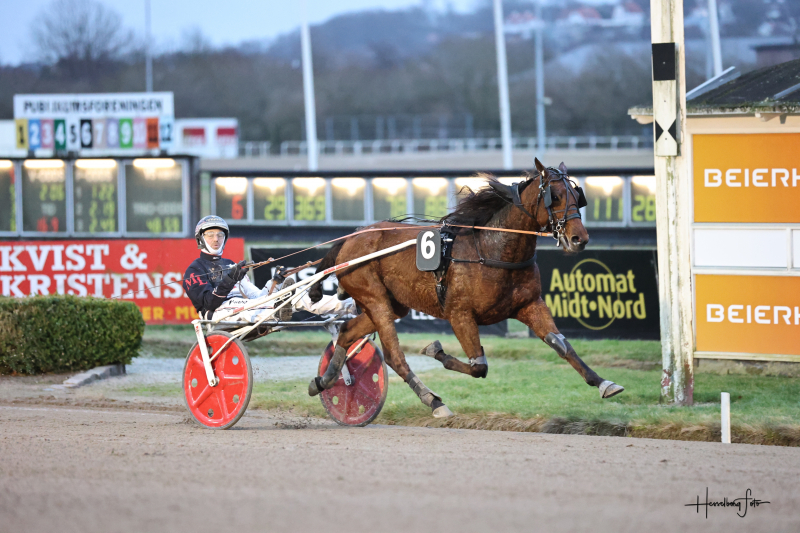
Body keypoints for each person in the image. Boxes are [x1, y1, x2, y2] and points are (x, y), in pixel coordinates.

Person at [183, 216, 356, 324]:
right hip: (218, 313)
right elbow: (209, 304)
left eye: (220, 235)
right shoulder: (194, 270)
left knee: (299, 294)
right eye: (210, 235)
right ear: (201, 239)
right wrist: (229, 280)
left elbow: (257, 297)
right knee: (274, 302)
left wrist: (275, 282)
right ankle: (279, 306)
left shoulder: (231, 264)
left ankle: (354, 306)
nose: (216, 239)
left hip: (248, 307)